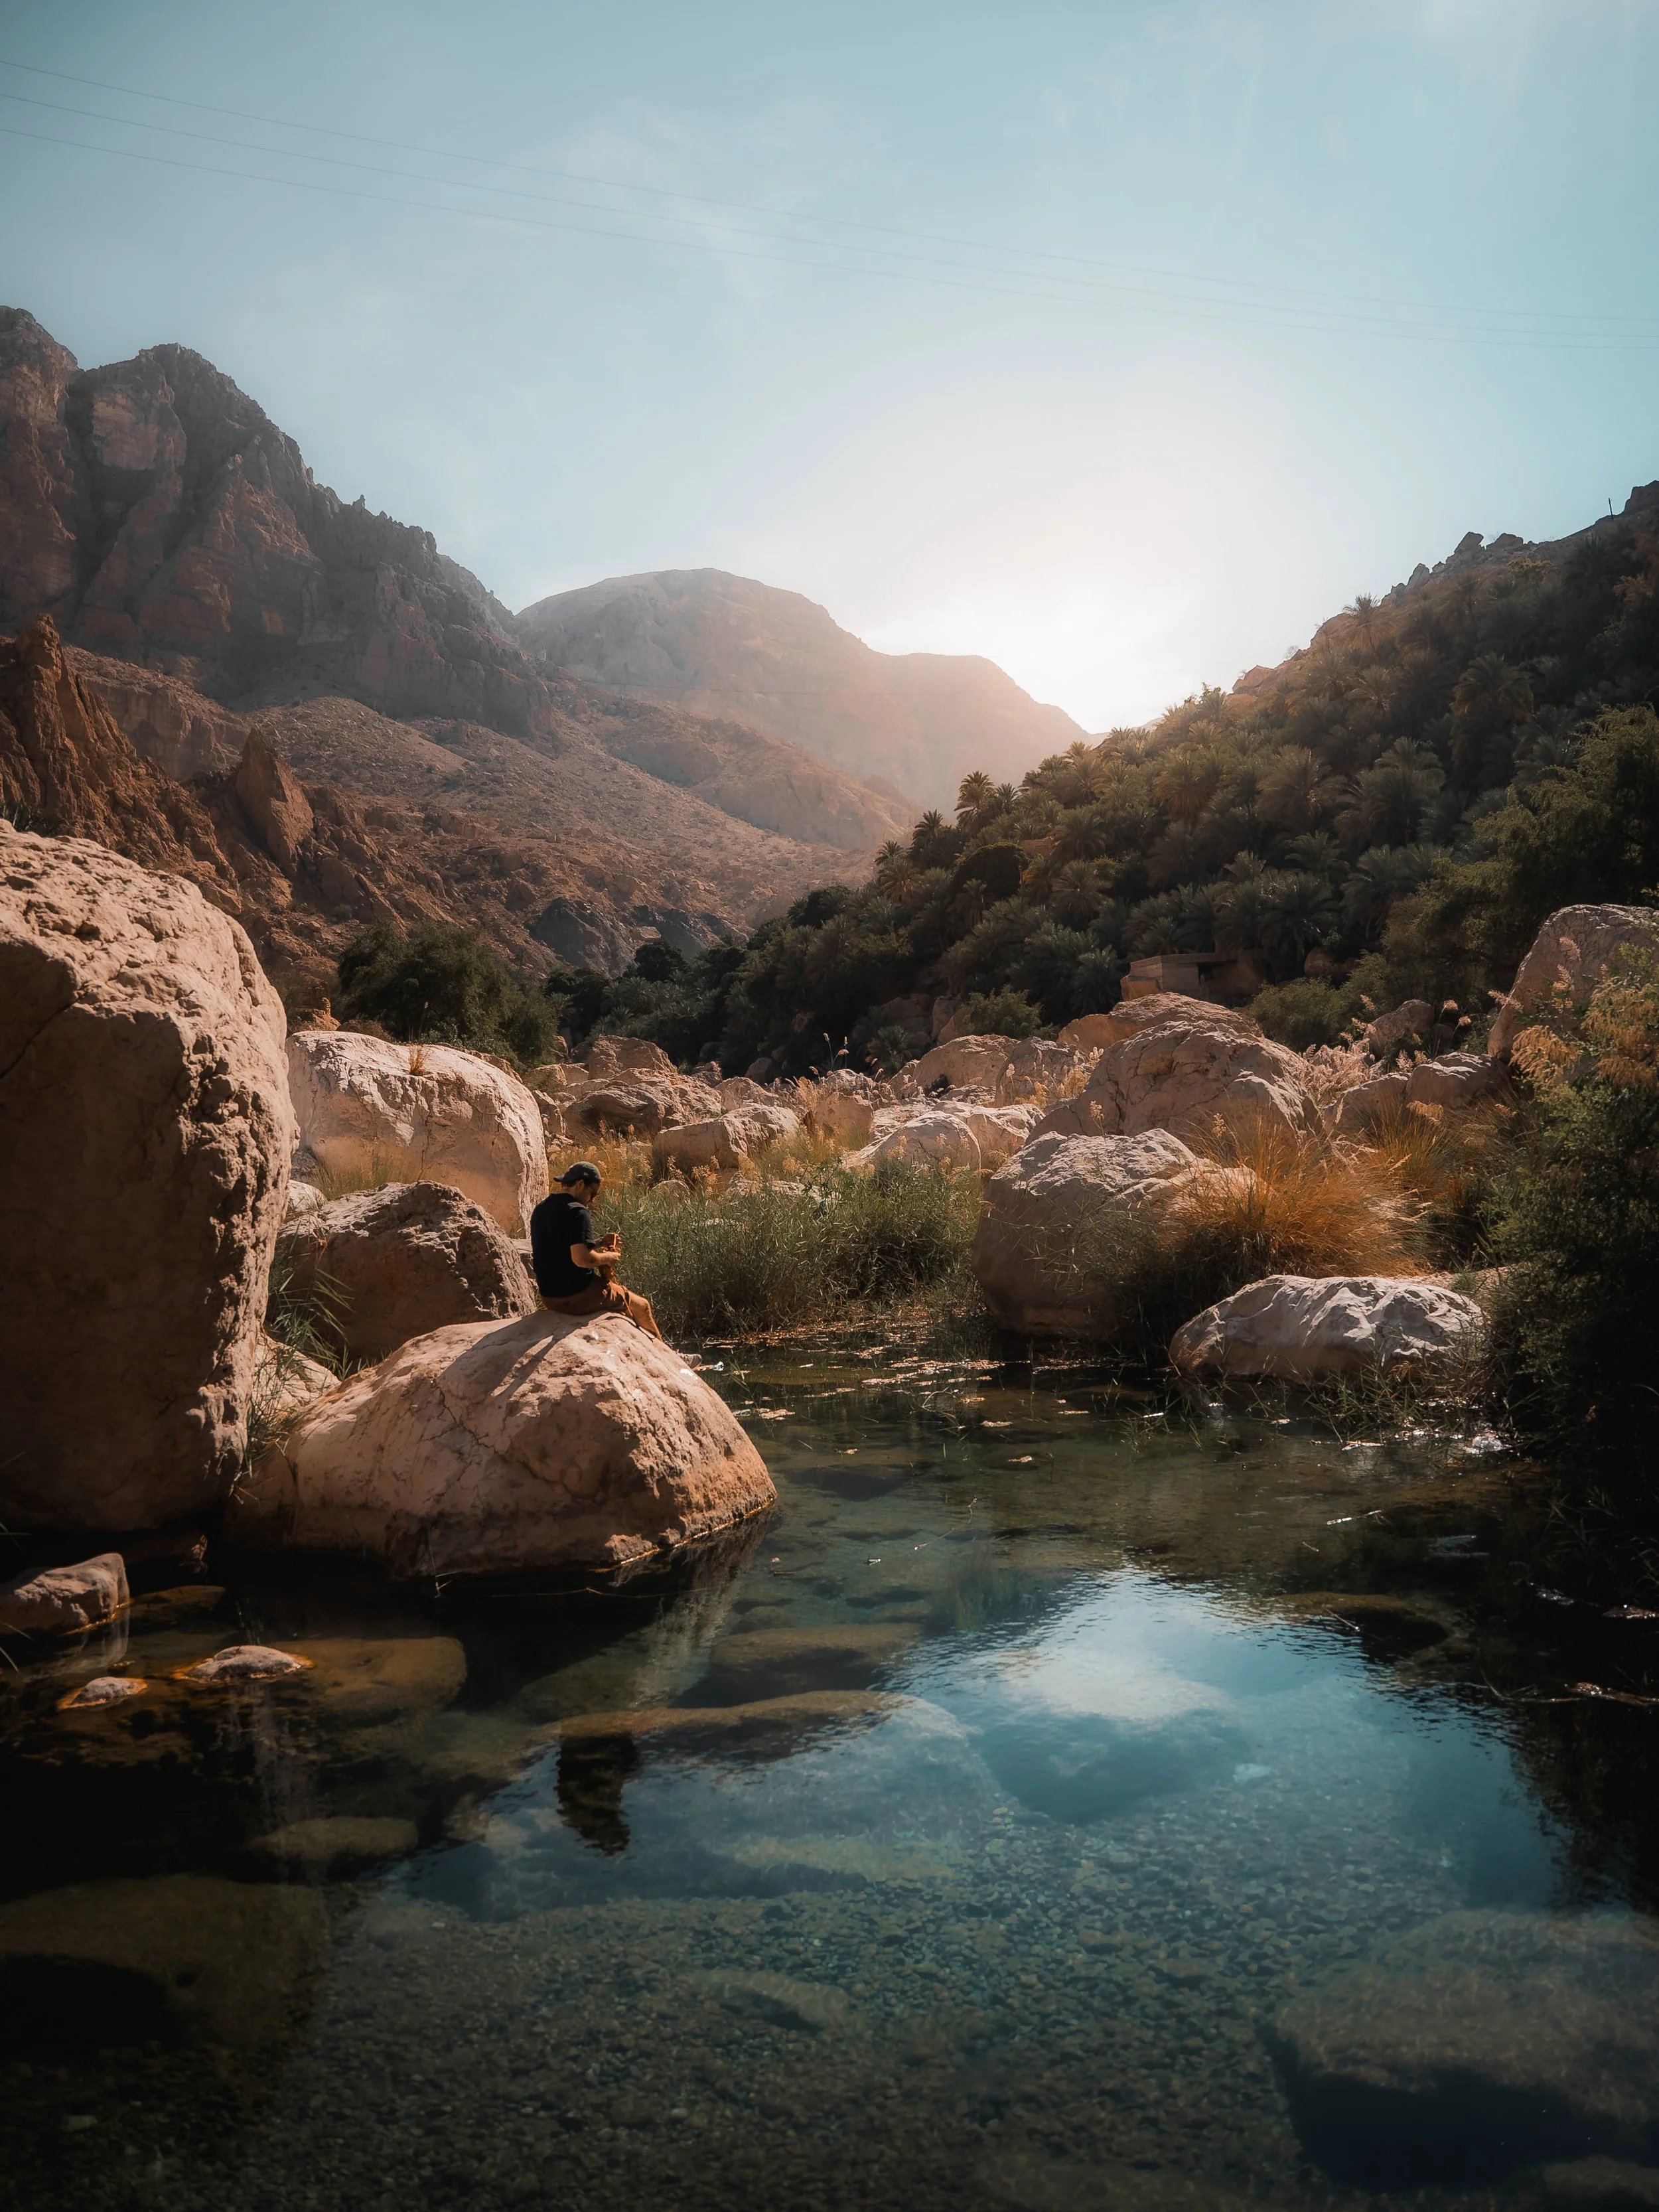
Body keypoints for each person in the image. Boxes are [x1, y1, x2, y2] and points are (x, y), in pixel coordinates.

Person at [529, 1162, 663, 1339]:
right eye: (592, 1194)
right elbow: (582, 1260)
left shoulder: (541, 1209)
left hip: (550, 1297)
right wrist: (609, 1257)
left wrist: (598, 1243)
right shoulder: (578, 1212)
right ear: (580, 1185)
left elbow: (558, 1247)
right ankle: (671, 1359)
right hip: (577, 1296)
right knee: (641, 1306)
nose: (591, 1200)